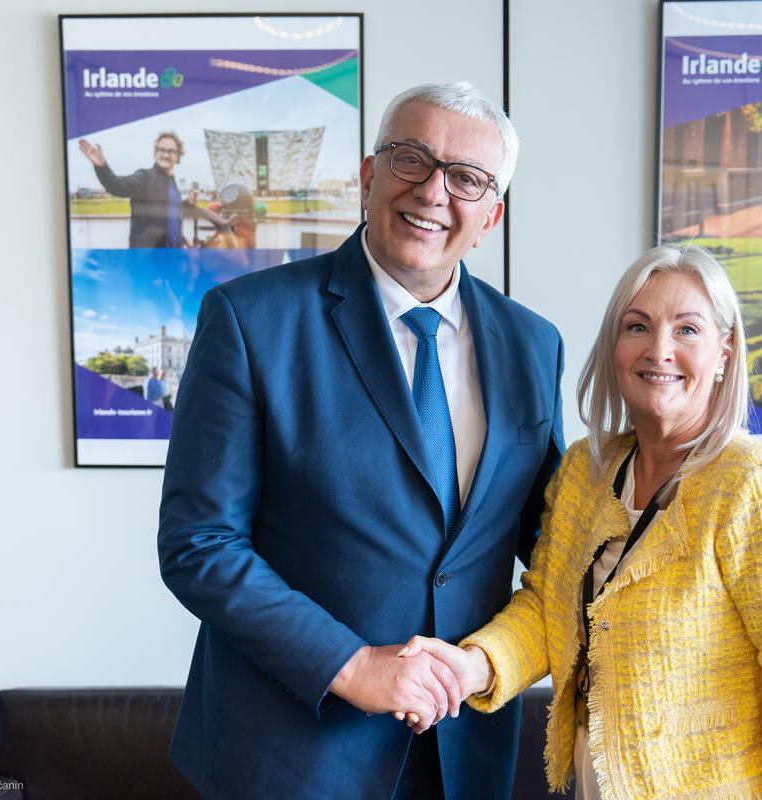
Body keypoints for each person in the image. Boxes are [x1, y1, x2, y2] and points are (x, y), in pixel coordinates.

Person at [157, 82, 566, 800]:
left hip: (462, 749)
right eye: (412, 160)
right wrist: (352, 665)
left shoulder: (534, 344)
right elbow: (199, 544)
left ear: (491, 215)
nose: (434, 192)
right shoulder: (251, 320)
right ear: (369, 175)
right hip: (289, 756)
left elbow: (552, 544)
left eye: (467, 179)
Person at [400, 245, 762, 800]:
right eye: (638, 326)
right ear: (615, 345)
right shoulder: (585, 471)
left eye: (687, 330)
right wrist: (472, 666)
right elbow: (547, 610)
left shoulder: (754, 485)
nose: (659, 350)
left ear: (725, 352)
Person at [78, 131, 226, 248]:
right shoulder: (144, 177)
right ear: (156, 153)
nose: (166, 155)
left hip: (172, 257)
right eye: (162, 150)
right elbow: (117, 186)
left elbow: (171, 210)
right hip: (147, 261)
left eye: (171, 151)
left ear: (178, 157)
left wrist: (187, 203)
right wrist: (101, 166)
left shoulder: (172, 183)